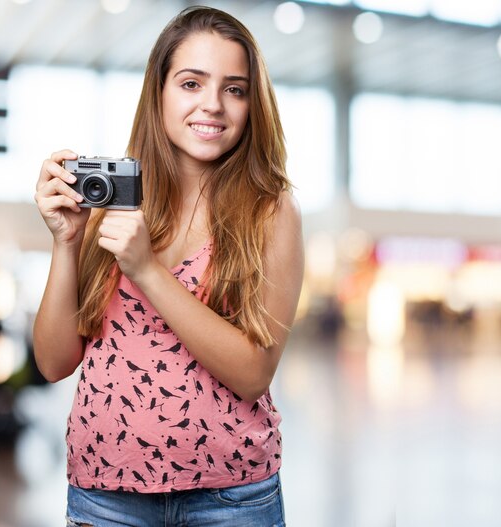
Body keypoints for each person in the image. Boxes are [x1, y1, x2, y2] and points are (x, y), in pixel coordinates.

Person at [33, 6, 303, 526]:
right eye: (191, 83)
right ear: (158, 92)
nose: (213, 105)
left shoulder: (270, 210)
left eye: (235, 89)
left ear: (253, 104)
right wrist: (66, 241)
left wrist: (148, 271)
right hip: (105, 494)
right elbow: (52, 363)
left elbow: (253, 373)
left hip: (230, 497)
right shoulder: (112, 200)